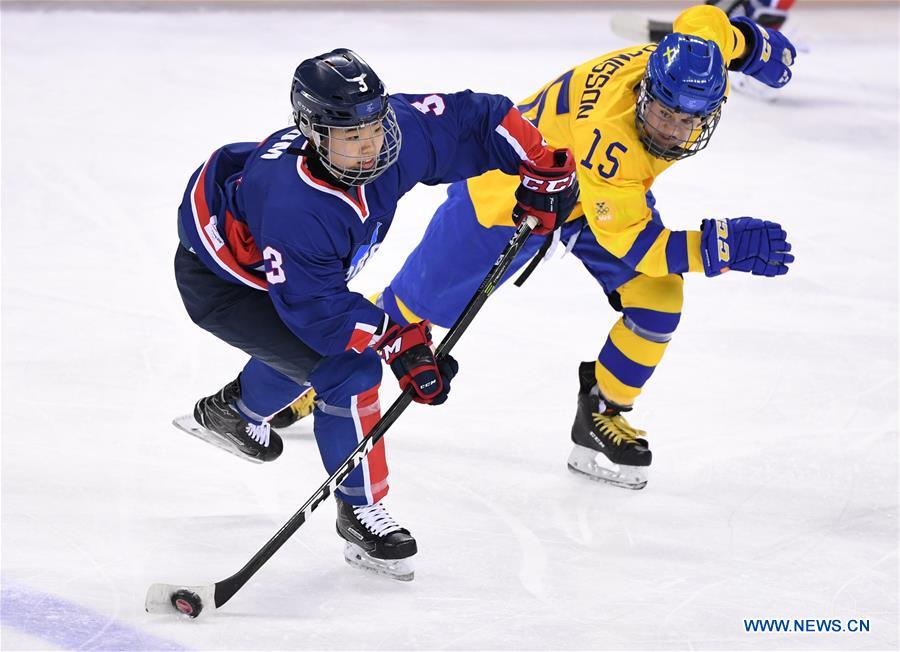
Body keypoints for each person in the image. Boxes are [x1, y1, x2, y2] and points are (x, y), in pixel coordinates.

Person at [279, 5, 797, 490]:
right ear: (645, 92)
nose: (672, 131)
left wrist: (751, 45)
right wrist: (718, 246)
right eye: (663, 114)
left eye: (688, 122)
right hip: (509, 194)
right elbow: (642, 247)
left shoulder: (692, 54)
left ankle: (602, 414)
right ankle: (309, 377)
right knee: (409, 313)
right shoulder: (612, 145)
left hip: (586, 197)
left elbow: (707, 20)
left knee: (658, 300)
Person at [173, 48, 578, 580]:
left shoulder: (392, 136)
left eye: (373, 126)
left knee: (318, 355)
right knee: (350, 371)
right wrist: (398, 341)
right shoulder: (296, 206)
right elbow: (318, 314)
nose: (369, 145)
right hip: (226, 285)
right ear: (313, 133)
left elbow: (476, 118)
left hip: (294, 277)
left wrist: (540, 162)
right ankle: (360, 512)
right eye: (350, 135)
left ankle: (234, 411)